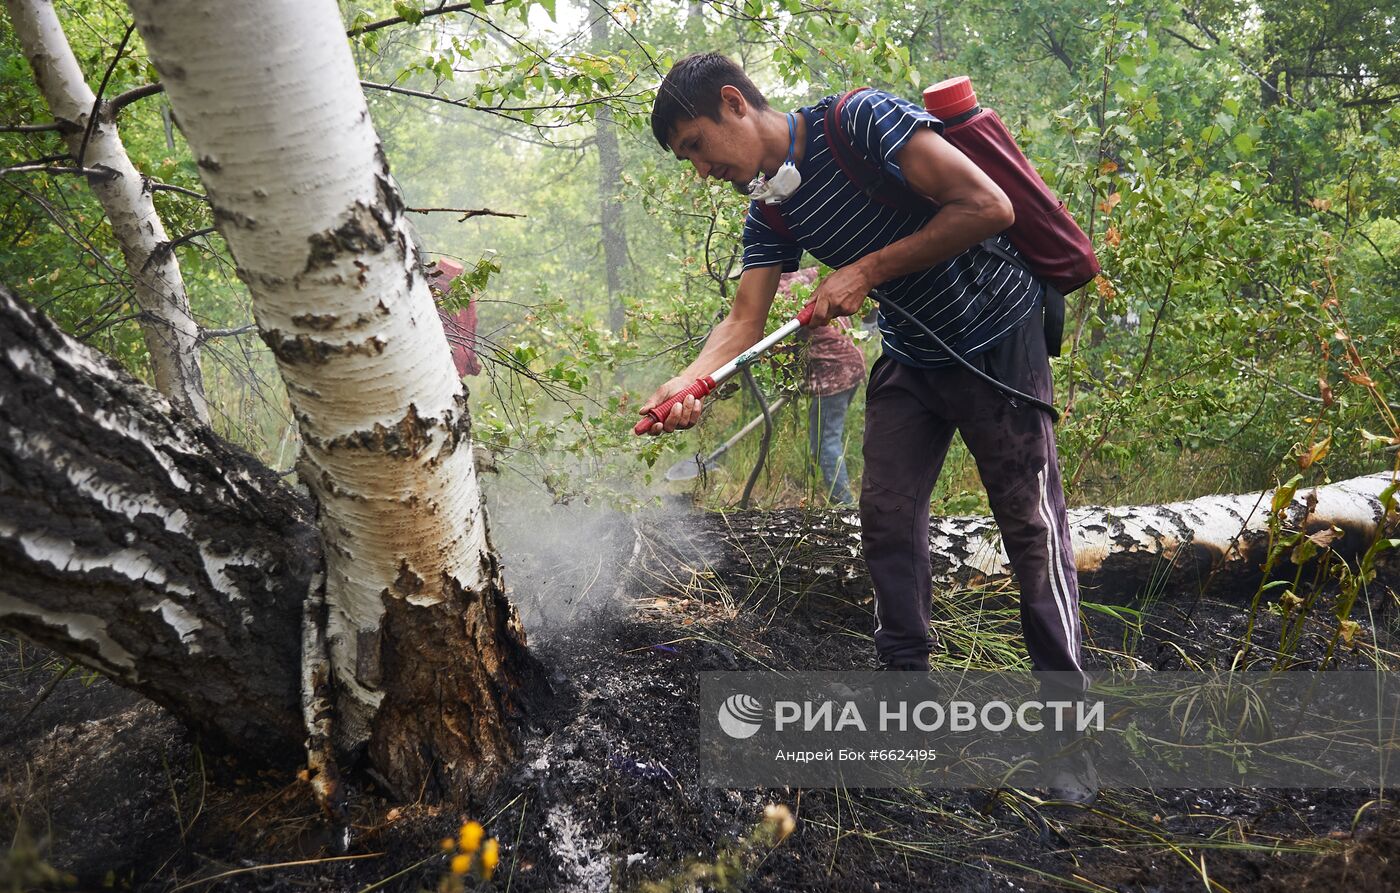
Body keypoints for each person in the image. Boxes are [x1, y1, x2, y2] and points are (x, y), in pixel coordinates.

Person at [639, 53, 1096, 803]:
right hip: (914, 358)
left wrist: (866, 270)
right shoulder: (772, 209)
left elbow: (988, 207)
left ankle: (1068, 739)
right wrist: (687, 383)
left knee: (1031, 531)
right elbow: (743, 318)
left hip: (997, 341)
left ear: (733, 105)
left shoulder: (860, 121)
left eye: (695, 145)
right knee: (884, 519)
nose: (699, 168)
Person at [779, 267, 864, 507]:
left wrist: (785, 379)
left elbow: (782, 345)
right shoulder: (807, 275)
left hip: (833, 371)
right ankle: (815, 489)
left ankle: (844, 507)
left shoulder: (782, 293)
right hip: (852, 364)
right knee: (823, 438)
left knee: (825, 443)